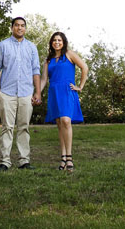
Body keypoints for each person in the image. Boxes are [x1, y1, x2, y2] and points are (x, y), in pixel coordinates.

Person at [0, 16, 42, 171]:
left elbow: (36, 71)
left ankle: (24, 161)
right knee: (7, 127)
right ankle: (4, 162)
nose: (20, 28)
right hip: (7, 93)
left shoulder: (32, 47)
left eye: (22, 25)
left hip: (26, 93)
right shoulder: (2, 46)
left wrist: (38, 92)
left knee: (24, 127)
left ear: (25, 28)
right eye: (17, 25)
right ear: (12, 27)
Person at [40, 31, 88, 172]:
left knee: (66, 121)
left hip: (67, 91)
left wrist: (80, 86)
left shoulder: (69, 54)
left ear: (64, 42)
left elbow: (84, 67)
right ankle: (62, 157)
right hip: (54, 92)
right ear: (51, 43)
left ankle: (69, 157)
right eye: (54, 40)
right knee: (60, 124)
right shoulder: (48, 60)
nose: (57, 42)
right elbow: (44, 79)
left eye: (59, 40)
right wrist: (37, 93)